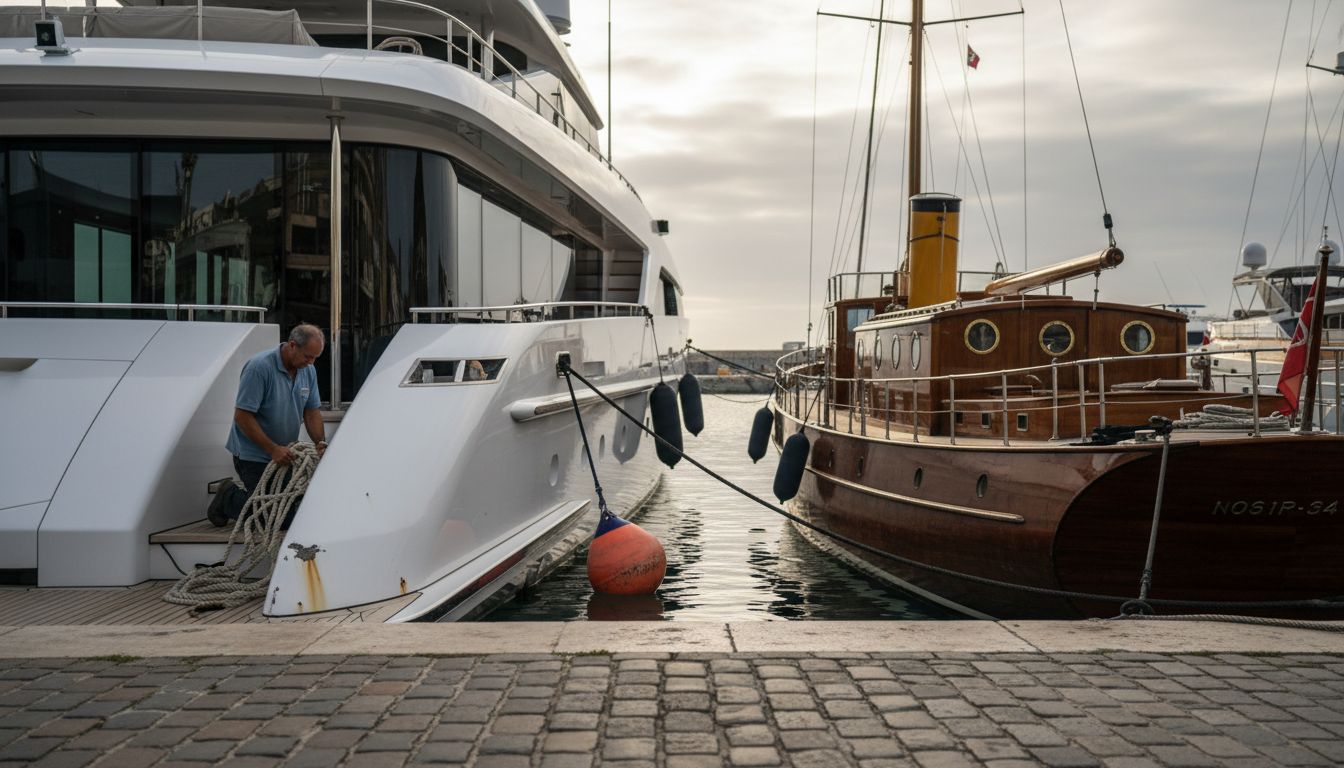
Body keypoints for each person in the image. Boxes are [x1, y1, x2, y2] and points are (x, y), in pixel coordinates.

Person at [207, 324, 327, 527]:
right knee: (279, 518)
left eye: (315, 358)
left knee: (297, 509)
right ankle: (227, 497)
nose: (311, 362)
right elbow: (242, 416)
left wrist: (320, 443)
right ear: (292, 345)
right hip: (253, 457)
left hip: (284, 455)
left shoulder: (308, 371)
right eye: (308, 356)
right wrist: (272, 449)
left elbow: (311, 411)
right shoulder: (259, 368)